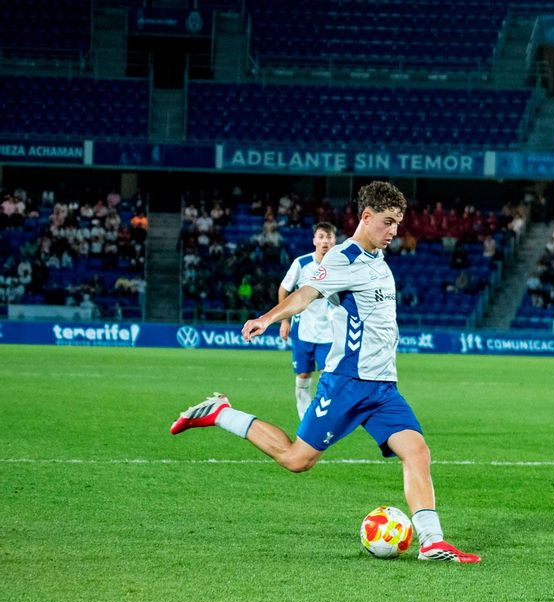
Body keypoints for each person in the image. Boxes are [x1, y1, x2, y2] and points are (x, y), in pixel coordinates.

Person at [169, 181, 479, 564]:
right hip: (347, 382)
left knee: (417, 451)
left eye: (398, 222)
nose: (394, 231)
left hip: (383, 386)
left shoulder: (378, 260)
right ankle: (221, 413)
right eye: (388, 222)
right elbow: (304, 295)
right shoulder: (341, 260)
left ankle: (432, 542)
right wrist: (267, 318)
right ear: (366, 217)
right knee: (297, 459)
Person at [279, 222, 337, 418]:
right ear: (314, 240)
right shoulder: (302, 263)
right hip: (303, 332)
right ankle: (305, 420)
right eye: (321, 237)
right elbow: (284, 289)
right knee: (303, 377)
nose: (325, 241)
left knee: (326, 379)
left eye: (329, 237)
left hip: (329, 334)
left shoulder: (340, 266)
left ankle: (322, 419)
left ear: (334, 241)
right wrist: (284, 320)